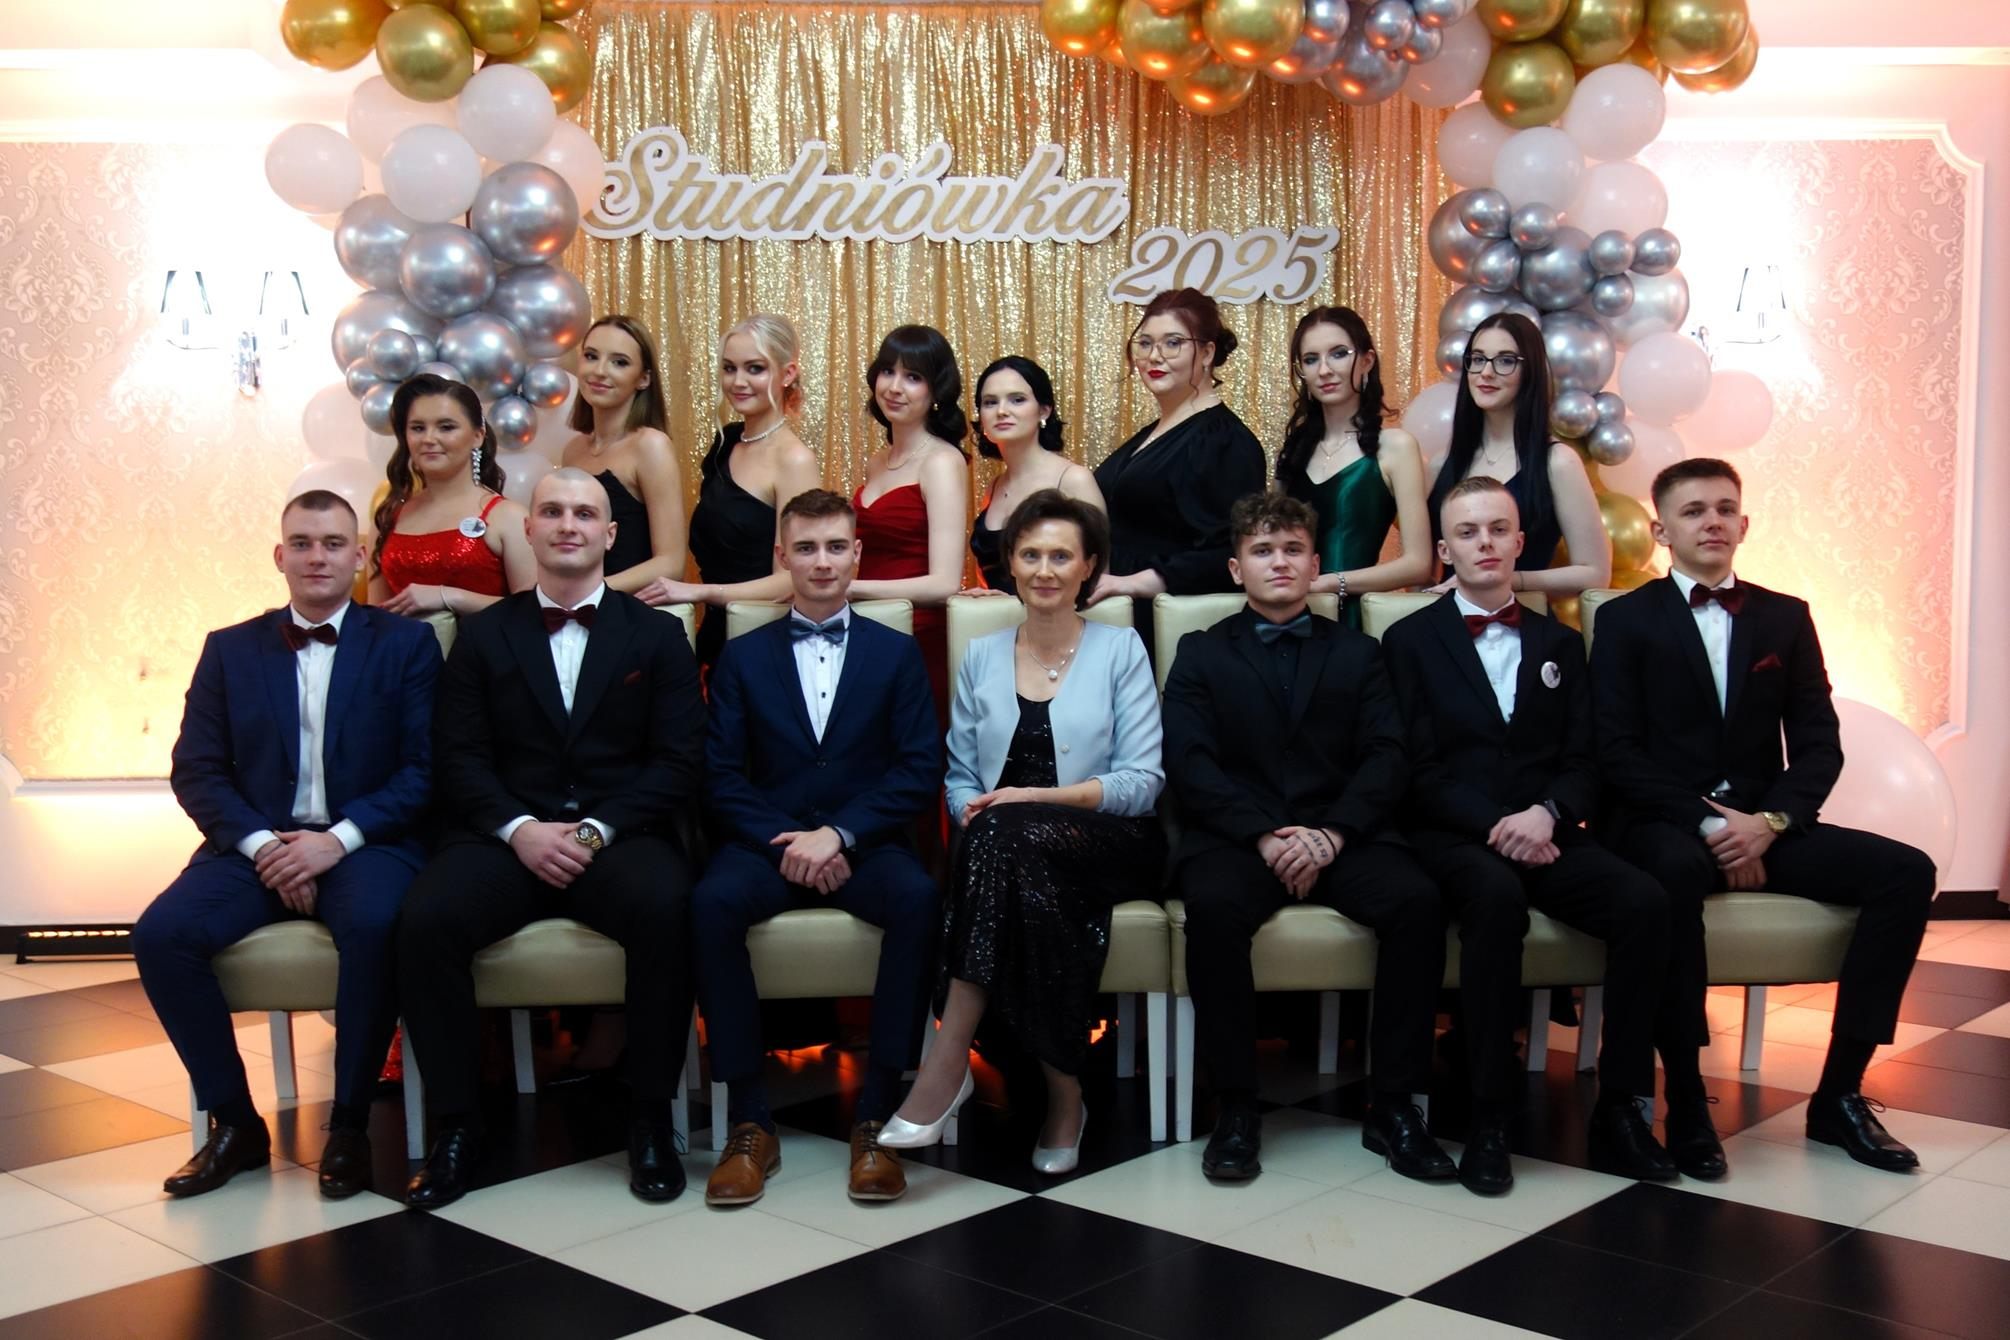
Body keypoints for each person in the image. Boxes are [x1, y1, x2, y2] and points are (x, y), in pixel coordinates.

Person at [1591, 458, 1935, 1177]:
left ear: (1744, 524)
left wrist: (1768, 823)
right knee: (1672, 877)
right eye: (1693, 511)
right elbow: (1615, 750)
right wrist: (1711, 824)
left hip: (1765, 824)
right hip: (1662, 820)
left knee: (1907, 872)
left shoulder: (1786, 616)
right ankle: (1686, 1096)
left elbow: (1818, 743)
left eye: (1724, 509)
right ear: (1661, 530)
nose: (1712, 521)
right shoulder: (1623, 620)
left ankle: (1839, 1095)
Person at [397, 468, 706, 1209]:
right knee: (424, 920)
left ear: (610, 534)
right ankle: (457, 1127)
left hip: (617, 836)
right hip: (507, 837)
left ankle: (651, 1119)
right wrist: (521, 830)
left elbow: (678, 762)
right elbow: (459, 759)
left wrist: (595, 830)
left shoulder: (658, 635)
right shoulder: (483, 636)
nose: (570, 525)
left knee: (669, 907)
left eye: (586, 514)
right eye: (554, 512)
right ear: (529, 529)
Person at [135, 490, 440, 1200]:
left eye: (333, 544)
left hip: (365, 844)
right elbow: (196, 770)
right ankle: (237, 1124)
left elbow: (426, 771)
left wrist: (335, 842)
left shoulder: (407, 645)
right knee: (161, 935)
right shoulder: (229, 649)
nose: (316, 557)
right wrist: (265, 847)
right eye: (301, 543)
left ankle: (351, 1125)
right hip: (255, 848)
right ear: (280, 556)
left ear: (359, 557)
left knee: (375, 926)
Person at [1381, 477, 1676, 1193]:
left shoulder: (1561, 644)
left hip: (1545, 829)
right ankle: (1489, 1115)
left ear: (1520, 541)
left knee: (1643, 902)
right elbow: (1413, 768)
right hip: (1454, 835)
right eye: (1468, 532)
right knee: (1494, 899)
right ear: (1445, 549)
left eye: (1497, 529)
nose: (1484, 542)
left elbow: (1586, 758)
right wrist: (1494, 823)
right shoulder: (1408, 640)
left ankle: (1623, 1105)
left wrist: (1548, 812)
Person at [1164, 492, 1453, 1185]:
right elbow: (1190, 762)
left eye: (1293, 549)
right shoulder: (1200, 652)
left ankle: (1395, 1106)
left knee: (1417, 902)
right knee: (1212, 909)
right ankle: (1236, 1106)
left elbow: (1387, 754)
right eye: (1262, 550)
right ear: (1236, 568)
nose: (1280, 562)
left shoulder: (1360, 651)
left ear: (1316, 564)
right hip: (1240, 840)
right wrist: (1264, 836)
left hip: (1341, 834)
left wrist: (1332, 833)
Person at [881, 491, 1164, 1174]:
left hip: (1106, 841)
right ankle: (1065, 1094)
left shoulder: (1120, 648)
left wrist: (1031, 798)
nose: (1044, 569)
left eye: (1061, 555)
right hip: (1004, 850)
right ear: (1009, 563)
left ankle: (948, 1061)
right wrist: (973, 810)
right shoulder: (980, 656)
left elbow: (1141, 783)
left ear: (1089, 566)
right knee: (1004, 845)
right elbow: (957, 778)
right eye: (1030, 554)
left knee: (1003, 835)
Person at [693, 489, 942, 1206]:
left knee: (919, 899)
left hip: (863, 844)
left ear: (857, 554)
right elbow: (720, 775)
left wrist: (839, 834)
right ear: (783, 557)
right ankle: (750, 1121)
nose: (822, 561)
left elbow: (917, 768)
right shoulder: (742, 657)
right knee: (709, 903)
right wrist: (788, 844)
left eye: (836, 546)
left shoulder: (896, 654)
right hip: (768, 843)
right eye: (806, 548)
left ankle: (878, 1117)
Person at [639, 314, 822, 672]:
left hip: (766, 642)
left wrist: (701, 592)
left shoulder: (794, 460)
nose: (738, 381)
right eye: (729, 368)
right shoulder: (726, 443)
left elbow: (792, 579)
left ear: (787, 374)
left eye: (755, 369)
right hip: (715, 636)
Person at [1089, 287, 1267, 637]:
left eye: (1173, 343)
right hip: (1123, 615)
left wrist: (1138, 582)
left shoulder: (1224, 440)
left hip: (1176, 624)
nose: (1154, 356)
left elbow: (1231, 551)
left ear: (1207, 352)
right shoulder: (1154, 432)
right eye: (1145, 343)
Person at [1425, 313, 1610, 598]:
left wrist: (1510, 580)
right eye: (1478, 359)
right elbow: (1426, 575)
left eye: (1505, 361)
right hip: (1448, 618)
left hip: (1525, 618)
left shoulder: (1558, 462)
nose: (1486, 372)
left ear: (1530, 370)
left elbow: (1595, 573)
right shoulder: (1441, 464)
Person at [1274, 306, 1432, 627]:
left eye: (1339, 354)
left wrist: (1333, 583)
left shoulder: (1396, 447)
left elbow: (1419, 564)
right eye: (1311, 359)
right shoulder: (1293, 450)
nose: (1324, 370)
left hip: (1353, 621)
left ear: (1367, 361)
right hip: (1289, 617)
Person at [848, 325, 970, 724]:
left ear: (936, 391)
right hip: (867, 630)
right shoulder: (877, 461)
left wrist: (849, 590)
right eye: (888, 371)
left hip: (916, 638)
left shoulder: (942, 461)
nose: (895, 387)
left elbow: (945, 583)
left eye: (913, 376)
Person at [371, 373, 536, 615]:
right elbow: (374, 617)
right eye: (418, 428)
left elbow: (533, 614)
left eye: (446, 427)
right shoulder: (388, 516)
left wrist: (450, 597)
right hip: (400, 642)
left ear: (477, 436)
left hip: (482, 641)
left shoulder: (509, 517)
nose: (429, 439)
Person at [559, 314, 690, 595]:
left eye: (619, 362)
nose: (599, 371)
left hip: (629, 607)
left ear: (643, 379)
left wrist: (590, 592)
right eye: (591, 356)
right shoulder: (573, 450)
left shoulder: (650, 446)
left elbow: (671, 563)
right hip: (579, 605)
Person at [965, 356, 1105, 595]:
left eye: (1017, 399)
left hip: (1057, 616)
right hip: (998, 616)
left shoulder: (1073, 480)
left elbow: (1097, 583)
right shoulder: (994, 487)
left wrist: (1013, 603)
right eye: (990, 402)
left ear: (1044, 410)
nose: (1001, 411)